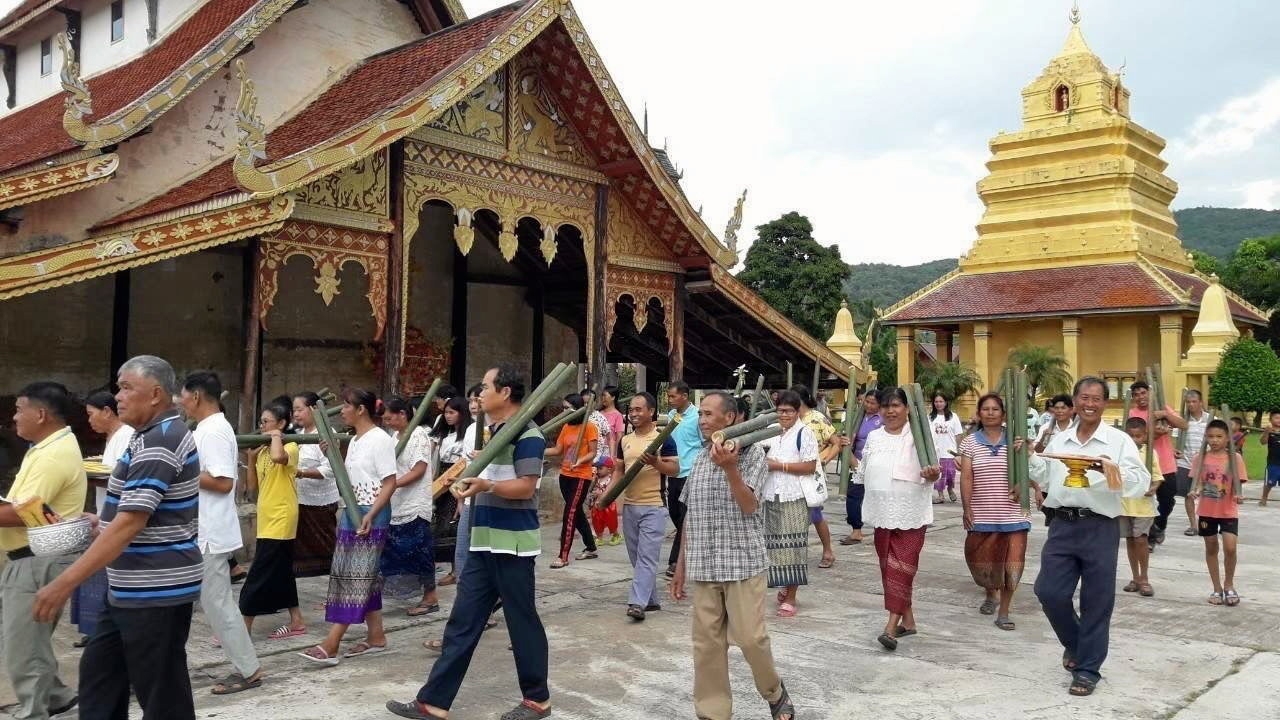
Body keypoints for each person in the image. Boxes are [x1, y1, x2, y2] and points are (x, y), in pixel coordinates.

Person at [34, 355, 204, 719]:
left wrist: (64, 582)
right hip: (130, 586)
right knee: (99, 678)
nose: (118, 396)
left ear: (156, 394)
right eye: (118, 387)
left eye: (126, 387)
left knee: (161, 695)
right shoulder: (145, 437)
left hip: (156, 589)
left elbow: (132, 523)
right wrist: (101, 522)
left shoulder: (161, 439)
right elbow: (132, 516)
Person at [387, 365, 552, 720]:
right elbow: (488, 477)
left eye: (487, 387)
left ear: (505, 392)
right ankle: (432, 702)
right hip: (482, 540)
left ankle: (537, 700)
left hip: (513, 544)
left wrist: (487, 485)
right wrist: (473, 479)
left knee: (521, 621)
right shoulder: (491, 433)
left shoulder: (527, 434)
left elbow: (525, 487)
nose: (479, 394)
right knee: (462, 622)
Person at [670, 391, 794, 720]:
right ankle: (713, 713)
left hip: (743, 564)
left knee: (752, 639)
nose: (703, 420)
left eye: (710, 414)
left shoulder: (753, 454)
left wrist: (730, 469)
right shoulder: (698, 460)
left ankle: (774, 691)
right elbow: (690, 516)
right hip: (704, 566)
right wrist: (680, 567)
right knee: (707, 647)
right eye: (701, 415)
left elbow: (750, 505)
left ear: (731, 418)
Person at [1029, 376, 1150, 697]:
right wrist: (1029, 455)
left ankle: (1087, 670)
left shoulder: (1118, 441)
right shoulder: (1061, 440)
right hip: (1062, 525)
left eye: (1096, 399)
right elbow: (1043, 474)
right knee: (1049, 591)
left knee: (1097, 601)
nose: (1090, 404)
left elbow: (1141, 480)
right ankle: (1078, 644)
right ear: (1075, 401)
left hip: (1100, 526)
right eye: (1084, 398)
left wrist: (1106, 470)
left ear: (1105, 403)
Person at [2, 382, 86, 719]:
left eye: (19, 409)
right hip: (32, 557)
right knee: (22, 637)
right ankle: (57, 696)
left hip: (38, 558)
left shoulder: (53, 454)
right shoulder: (45, 447)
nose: (14, 416)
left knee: (24, 648)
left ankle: (32, 712)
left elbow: (23, 511)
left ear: (39, 414)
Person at [299, 388, 398, 665]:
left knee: (354, 578)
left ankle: (332, 643)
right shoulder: (354, 440)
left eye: (346, 405)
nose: (341, 410)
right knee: (360, 576)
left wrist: (370, 514)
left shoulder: (380, 440)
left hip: (371, 514)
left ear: (361, 409)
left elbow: (389, 482)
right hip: (351, 511)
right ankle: (376, 636)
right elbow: (351, 475)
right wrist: (332, 455)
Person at [179, 371, 262, 695]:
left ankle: (248, 669)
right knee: (200, 601)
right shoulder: (208, 428)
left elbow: (224, 481)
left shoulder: (213, 431)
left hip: (209, 531)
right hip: (201, 529)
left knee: (217, 604)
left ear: (196, 396)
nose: (181, 403)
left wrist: (181, 472)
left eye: (183, 396)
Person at [858, 387, 940, 650]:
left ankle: (891, 627)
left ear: (907, 409)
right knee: (887, 568)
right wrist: (844, 449)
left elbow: (933, 471)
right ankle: (909, 621)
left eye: (895, 405)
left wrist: (932, 474)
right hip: (881, 511)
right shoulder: (873, 437)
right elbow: (862, 472)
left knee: (902, 569)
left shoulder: (919, 435)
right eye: (885, 406)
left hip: (911, 511)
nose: (890, 411)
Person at [958, 393, 1030, 631]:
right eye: (985, 409)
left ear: (1004, 414)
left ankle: (1004, 611)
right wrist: (967, 507)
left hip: (1013, 513)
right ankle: (990, 592)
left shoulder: (1017, 440)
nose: (990, 413)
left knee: (1013, 564)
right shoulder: (969, 442)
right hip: (983, 511)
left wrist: (1025, 453)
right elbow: (967, 476)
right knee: (983, 559)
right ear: (979, 414)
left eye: (995, 409)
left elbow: (1029, 470)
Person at [73, 391, 133, 647]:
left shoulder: (127, 436)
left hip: (117, 519)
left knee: (108, 578)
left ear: (108, 411)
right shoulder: (114, 437)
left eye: (91, 414)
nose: (89, 421)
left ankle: (106, 632)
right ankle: (99, 630)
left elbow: (120, 479)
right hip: (105, 516)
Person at [611, 392, 678, 621]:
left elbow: (674, 470)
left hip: (654, 506)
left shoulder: (663, 438)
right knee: (636, 557)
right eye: (631, 410)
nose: (634, 413)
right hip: (630, 506)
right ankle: (651, 600)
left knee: (647, 557)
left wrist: (656, 462)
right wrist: (608, 497)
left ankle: (637, 603)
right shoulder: (625, 440)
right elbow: (618, 472)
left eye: (639, 409)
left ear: (651, 412)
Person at [241, 403, 305, 639]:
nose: (262, 427)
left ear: (280, 423)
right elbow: (251, 487)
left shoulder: (290, 446)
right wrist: (251, 457)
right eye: (261, 422)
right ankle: (296, 620)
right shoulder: (264, 451)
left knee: (259, 571)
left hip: (282, 516)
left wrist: (277, 436)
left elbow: (280, 457)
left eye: (266, 422)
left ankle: (243, 624)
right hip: (267, 517)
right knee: (282, 570)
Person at [762, 390, 819, 618]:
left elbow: (809, 466)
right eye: (780, 410)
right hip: (770, 494)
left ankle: (792, 595)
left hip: (794, 495)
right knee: (774, 544)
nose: (784, 415)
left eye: (788, 411)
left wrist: (779, 466)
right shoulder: (770, 432)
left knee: (793, 546)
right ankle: (784, 584)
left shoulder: (805, 434)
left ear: (797, 412)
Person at [382, 397, 439, 617]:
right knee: (395, 549)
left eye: (389, 417)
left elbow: (419, 469)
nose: (386, 422)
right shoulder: (394, 436)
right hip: (396, 502)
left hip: (414, 502)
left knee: (419, 550)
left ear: (402, 415)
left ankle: (430, 596)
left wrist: (392, 484)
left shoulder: (418, 435)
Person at [1189, 419, 1247, 607]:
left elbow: (1239, 485)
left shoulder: (1235, 458)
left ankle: (1229, 584)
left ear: (1228, 438)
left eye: (1219, 436)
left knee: (1230, 548)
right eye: (1211, 436)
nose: (1214, 440)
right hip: (1207, 510)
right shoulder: (1200, 458)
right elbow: (1196, 482)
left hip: (1228, 510)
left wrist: (1238, 495)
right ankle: (1216, 587)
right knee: (1211, 547)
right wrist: (1195, 490)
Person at [1125, 380, 1186, 548]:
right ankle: (1150, 538)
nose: (1140, 397)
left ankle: (1159, 525)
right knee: (1146, 499)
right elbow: (1135, 439)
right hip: (1143, 464)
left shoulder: (1162, 407)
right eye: (1136, 395)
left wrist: (1165, 415)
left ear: (1150, 393)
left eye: (1143, 393)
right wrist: (1155, 435)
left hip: (1166, 462)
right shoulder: (1131, 414)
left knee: (1168, 499)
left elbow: (1183, 425)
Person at [789, 384, 844, 568]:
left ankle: (827, 549)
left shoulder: (817, 418)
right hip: (791, 472)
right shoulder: (789, 419)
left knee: (815, 512)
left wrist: (826, 459)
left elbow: (836, 442)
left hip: (812, 472)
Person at [544, 393, 599, 568]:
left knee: (569, 514)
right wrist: (536, 449)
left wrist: (581, 461)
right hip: (565, 475)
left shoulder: (589, 427)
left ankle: (563, 556)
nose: (564, 411)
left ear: (577, 409)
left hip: (581, 476)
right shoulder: (567, 427)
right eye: (563, 407)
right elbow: (558, 450)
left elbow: (593, 452)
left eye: (567, 408)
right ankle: (590, 546)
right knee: (576, 512)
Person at [292, 392, 339, 578]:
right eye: (293, 410)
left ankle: (332, 573)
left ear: (313, 409)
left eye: (299, 409)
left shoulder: (327, 434)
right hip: (301, 498)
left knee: (325, 541)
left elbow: (330, 469)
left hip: (321, 501)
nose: (295, 414)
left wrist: (301, 473)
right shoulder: (297, 435)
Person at [432, 396, 476, 586]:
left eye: (452, 412)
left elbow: (465, 463)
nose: (448, 416)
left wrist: (458, 482)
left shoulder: (468, 435)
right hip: (443, 478)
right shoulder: (446, 435)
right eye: (446, 412)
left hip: (457, 478)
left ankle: (456, 569)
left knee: (454, 523)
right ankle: (454, 566)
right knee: (443, 521)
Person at [665, 381, 703, 577]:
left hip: (691, 471)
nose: (669, 400)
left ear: (685, 396)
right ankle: (689, 548)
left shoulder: (698, 417)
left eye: (673, 396)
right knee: (674, 513)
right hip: (673, 471)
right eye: (669, 396)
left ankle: (674, 561)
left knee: (684, 516)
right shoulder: (672, 416)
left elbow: (704, 442)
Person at [1119, 417, 1160, 598]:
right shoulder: (1119, 454)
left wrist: (1153, 488)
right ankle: (1135, 576)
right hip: (1125, 503)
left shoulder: (1150, 453)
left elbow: (1157, 477)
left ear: (1145, 436)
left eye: (1138, 436)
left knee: (1141, 539)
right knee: (1130, 540)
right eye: (1131, 436)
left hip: (1143, 505)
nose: (1135, 440)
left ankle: (1144, 578)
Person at [840, 389, 882, 546]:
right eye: (867, 401)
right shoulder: (858, 417)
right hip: (857, 461)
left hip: (876, 462)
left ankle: (882, 529)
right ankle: (856, 530)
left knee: (878, 496)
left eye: (873, 402)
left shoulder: (883, 418)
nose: (869, 405)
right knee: (853, 495)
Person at [1175, 390, 1209, 528]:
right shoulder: (1182, 420)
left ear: (1201, 402)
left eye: (1194, 401)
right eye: (1188, 402)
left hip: (1206, 463)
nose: (1191, 405)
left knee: (1207, 494)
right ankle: (1193, 524)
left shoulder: (1211, 419)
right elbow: (1175, 440)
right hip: (1186, 462)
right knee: (1188, 495)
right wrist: (1176, 451)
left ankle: (1206, 522)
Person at [929, 393, 965, 504]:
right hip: (936, 452)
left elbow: (958, 434)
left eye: (941, 401)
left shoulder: (953, 417)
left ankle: (950, 490)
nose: (938, 404)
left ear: (946, 402)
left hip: (950, 452)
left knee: (950, 474)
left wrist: (959, 451)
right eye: (936, 402)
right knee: (939, 474)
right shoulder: (930, 417)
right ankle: (940, 496)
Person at [587, 457, 621, 546]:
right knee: (596, 521)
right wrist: (593, 481)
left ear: (609, 469)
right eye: (597, 468)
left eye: (600, 468)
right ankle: (599, 537)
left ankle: (615, 535)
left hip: (608, 505)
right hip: (596, 504)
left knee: (611, 521)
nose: (598, 470)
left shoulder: (611, 480)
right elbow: (590, 489)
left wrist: (600, 493)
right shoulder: (597, 479)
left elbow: (611, 491)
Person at [579, 387, 615, 461]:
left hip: (597, 460)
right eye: (584, 403)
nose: (586, 405)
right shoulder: (577, 418)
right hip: (579, 458)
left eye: (588, 402)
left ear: (594, 402)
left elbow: (610, 438)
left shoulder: (600, 418)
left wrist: (611, 457)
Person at [1260, 410, 1280, 507]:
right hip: (1273, 462)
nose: (1279, 420)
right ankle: (1264, 498)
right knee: (1269, 483)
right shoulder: (1269, 431)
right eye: (1276, 418)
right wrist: (1266, 432)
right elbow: (1263, 442)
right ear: (1270, 419)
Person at [598, 385, 625, 458]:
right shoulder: (599, 413)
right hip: (596, 449)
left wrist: (615, 454)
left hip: (609, 451)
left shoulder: (618, 415)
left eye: (605, 396)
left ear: (613, 397)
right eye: (602, 396)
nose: (603, 398)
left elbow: (619, 436)